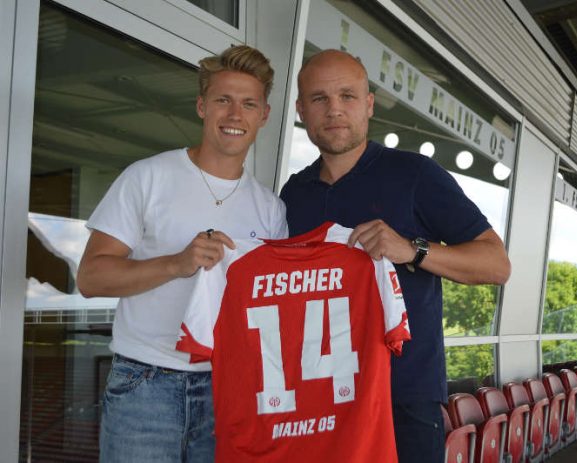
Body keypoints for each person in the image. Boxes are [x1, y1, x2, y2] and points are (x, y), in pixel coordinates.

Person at [280, 49, 511, 463]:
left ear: (369, 103)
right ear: (300, 109)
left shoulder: (415, 175)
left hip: (401, 400)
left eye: (347, 96)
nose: (334, 110)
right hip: (315, 399)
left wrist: (413, 249)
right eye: (319, 99)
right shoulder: (293, 194)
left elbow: (496, 264)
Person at [77, 45, 288, 463]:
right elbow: (90, 278)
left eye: (248, 104)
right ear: (201, 106)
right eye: (223, 100)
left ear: (263, 115)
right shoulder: (147, 177)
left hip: (229, 388)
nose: (234, 115)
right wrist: (176, 264)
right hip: (145, 384)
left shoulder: (271, 208)